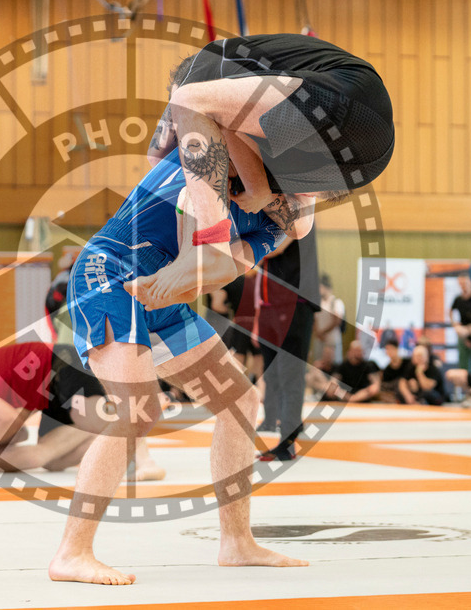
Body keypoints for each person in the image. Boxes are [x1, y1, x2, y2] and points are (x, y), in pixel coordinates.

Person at [50, 149, 310, 586]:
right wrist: (180, 276)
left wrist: (175, 283)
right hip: (110, 272)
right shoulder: (210, 156)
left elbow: (218, 269)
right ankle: (71, 554)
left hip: (168, 292)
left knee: (241, 402)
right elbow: (200, 235)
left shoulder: (273, 223)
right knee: (137, 408)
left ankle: (237, 543)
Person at [141, 34, 394, 305]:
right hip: (364, 151)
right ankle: (212, 261)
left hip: (352, 103)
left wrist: (254, 188)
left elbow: (162, 147)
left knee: (186, 110)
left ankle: (212, 247)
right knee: (298, 226)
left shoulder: (203, 69)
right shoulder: (241, 92)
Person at [0, 342, 164, 477]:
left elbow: (10, 418)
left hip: (57, 365)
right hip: (46, 395)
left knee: (88, 417)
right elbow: (21, 432)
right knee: (53, 463)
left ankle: (146, 459)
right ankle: (114, 444)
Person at [253, 234, 320, 462]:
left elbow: (274, 248)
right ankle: (280, 428)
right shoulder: (276, 210)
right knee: (273, 375)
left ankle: (288, 441)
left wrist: (244, 251)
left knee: (290, 375)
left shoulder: (298, 207)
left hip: (294, 302)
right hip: (272, 303)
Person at [315, 339, 381, 402]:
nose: (358, 353)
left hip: (363, 396)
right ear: (349, 351)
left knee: (372, 389)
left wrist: (355, 398)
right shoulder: (342, 366)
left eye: (360, 351)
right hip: (345, 396)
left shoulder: (369, 365)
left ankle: (353, 399)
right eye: (355, 350)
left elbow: (375, 385)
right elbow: (334, 381)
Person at [312, 273, 345, 365]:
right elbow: (315, 320)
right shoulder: (319, 303)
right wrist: (318, 332)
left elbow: (337, 321)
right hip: (319, 338)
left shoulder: (336, 302)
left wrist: (323, 332)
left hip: (332, 339)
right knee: (318, 362)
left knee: (333, 363)